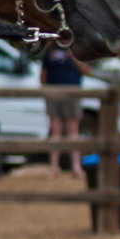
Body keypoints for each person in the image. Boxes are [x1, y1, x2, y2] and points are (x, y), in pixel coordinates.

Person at [40, 45, 88, 179]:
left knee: (73, 131)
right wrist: (45, 92)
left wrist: (73, 56)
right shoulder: (50, 50)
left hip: (72, 92)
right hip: (53, 93)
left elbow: (86, 70)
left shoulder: (77, 50)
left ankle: (76, 167)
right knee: (55, 132)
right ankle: (54, 167)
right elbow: (43, 74)